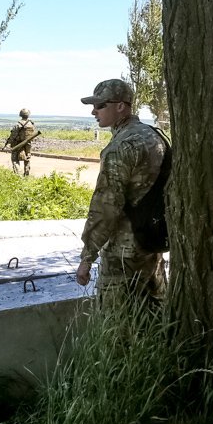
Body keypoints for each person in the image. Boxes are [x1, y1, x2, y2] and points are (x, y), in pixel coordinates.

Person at [75, 79, 168, 304]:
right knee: (155, 314)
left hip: (123, 254)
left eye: (100, 105)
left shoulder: (120, 148)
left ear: (120, 106)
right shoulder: (156, 137)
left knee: (117, 318)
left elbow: (106, 206)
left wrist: (87, 257)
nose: (94, 111)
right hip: (152, 244)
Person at [3, 108, 36, 177]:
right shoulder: (31, 124)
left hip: (17, 144)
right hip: (28, 144)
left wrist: (8, 143)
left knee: (15, 159)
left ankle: (18, 175)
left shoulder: (18, 125)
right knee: (27, 158)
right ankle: (26, 174)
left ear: (20, 115)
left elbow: (13, 136)